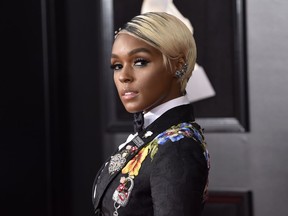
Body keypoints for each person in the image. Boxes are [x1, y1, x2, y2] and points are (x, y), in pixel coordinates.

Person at [92, 12, 210, 216]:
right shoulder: (152, 133)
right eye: (117, 66)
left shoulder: (177, 147)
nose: (123, 76)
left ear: (178, 65)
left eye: (139, 62)